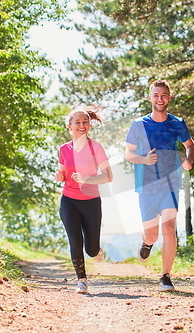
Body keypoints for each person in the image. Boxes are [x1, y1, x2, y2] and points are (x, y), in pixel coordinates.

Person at [125, 80, 194, 291]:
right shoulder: (139, 124)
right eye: (156, 95)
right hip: (146, 185)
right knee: (152, 234)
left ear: (169, 98)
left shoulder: (177, 123)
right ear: (150, 98)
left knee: (168, 228)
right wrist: (144, 160)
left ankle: (165, 276)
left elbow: (191, 146)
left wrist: (189, 159)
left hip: (170, 183)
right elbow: (128, 153)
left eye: (164, 95)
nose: (160, 98)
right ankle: (147, 243)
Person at [56, 107, 113, 294]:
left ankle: (96, 250)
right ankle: (81, 280)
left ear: (89, 125)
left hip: (91, 201)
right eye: (77, 123)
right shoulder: (64, 149)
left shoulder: (95, 147)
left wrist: (87, 179)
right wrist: (60, 176)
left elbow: (108, 176)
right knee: (75, 240)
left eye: (85, 122)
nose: (82, 125)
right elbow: (64, 173)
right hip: (69, 200)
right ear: (69, 126)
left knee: (91, 248)